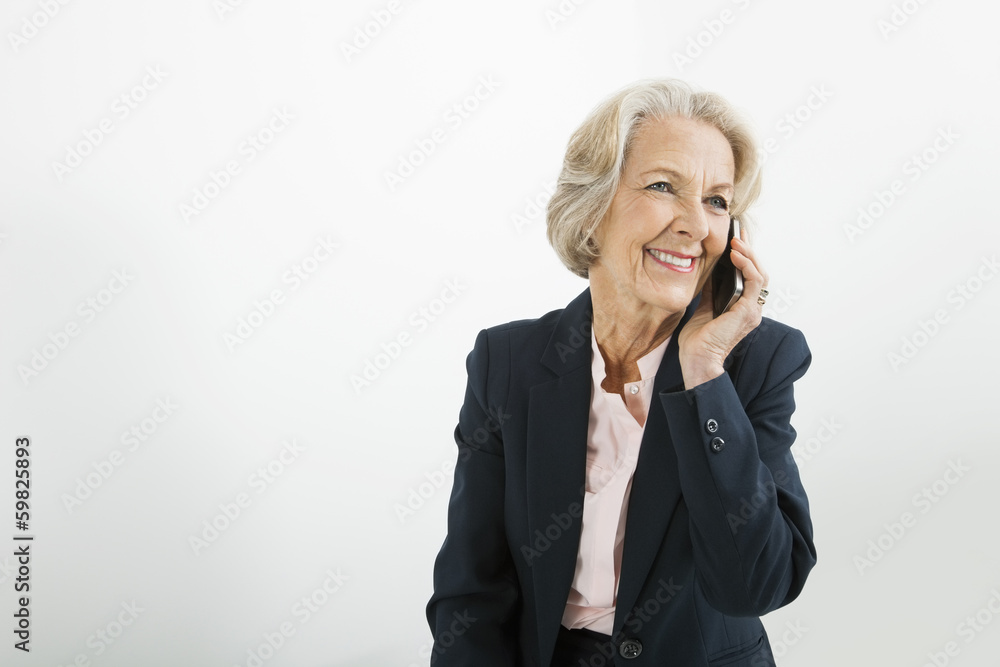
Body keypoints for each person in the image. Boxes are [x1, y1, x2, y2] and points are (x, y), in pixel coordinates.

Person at [426, 78, 816, 666]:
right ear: (591, 213)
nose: (698, 225)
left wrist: (704, 375)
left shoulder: (758, 361)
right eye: (664, 187)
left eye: (717, 201)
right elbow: (471, 593)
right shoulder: (507, 362)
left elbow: (754, 585)